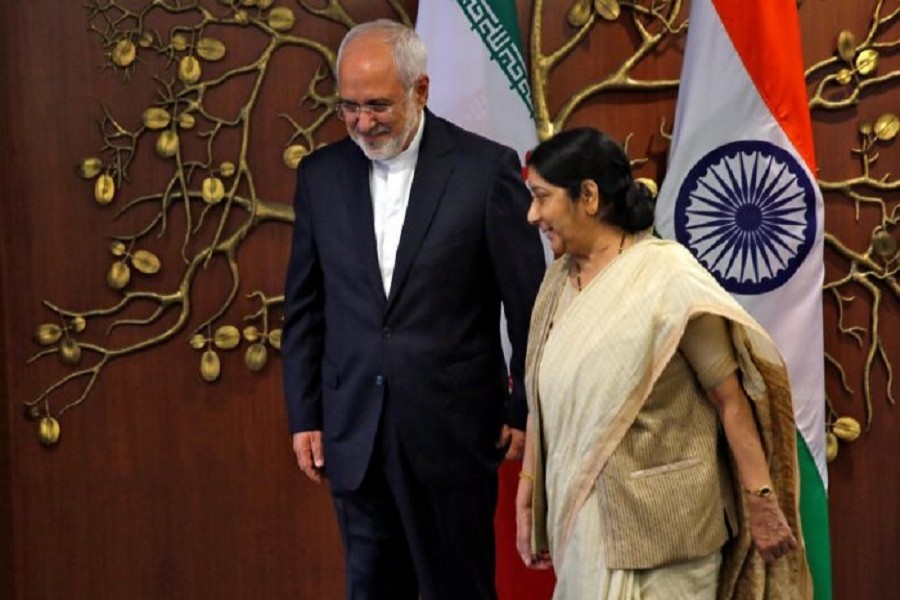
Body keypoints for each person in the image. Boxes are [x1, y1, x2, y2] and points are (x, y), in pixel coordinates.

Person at [281, 19, 546, 600]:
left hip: (454, 431)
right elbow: (304, 307)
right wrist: (305, 414)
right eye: (348, 106)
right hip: (353, 432)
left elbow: (530, 304)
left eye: (377, 105)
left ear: (420, 90)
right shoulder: (320, 176)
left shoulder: (486, 169)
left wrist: (523, 406)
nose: (361, 122)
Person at [515, 128, 812, 599]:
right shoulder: (557, 282)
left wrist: (761, 500)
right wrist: (529, 490)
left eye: (541, 198)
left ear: (588, 196)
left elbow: (729, 398)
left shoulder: (667, 277)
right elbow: (543, 397)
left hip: (669, 533)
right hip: (585, 525)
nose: (532, 215)